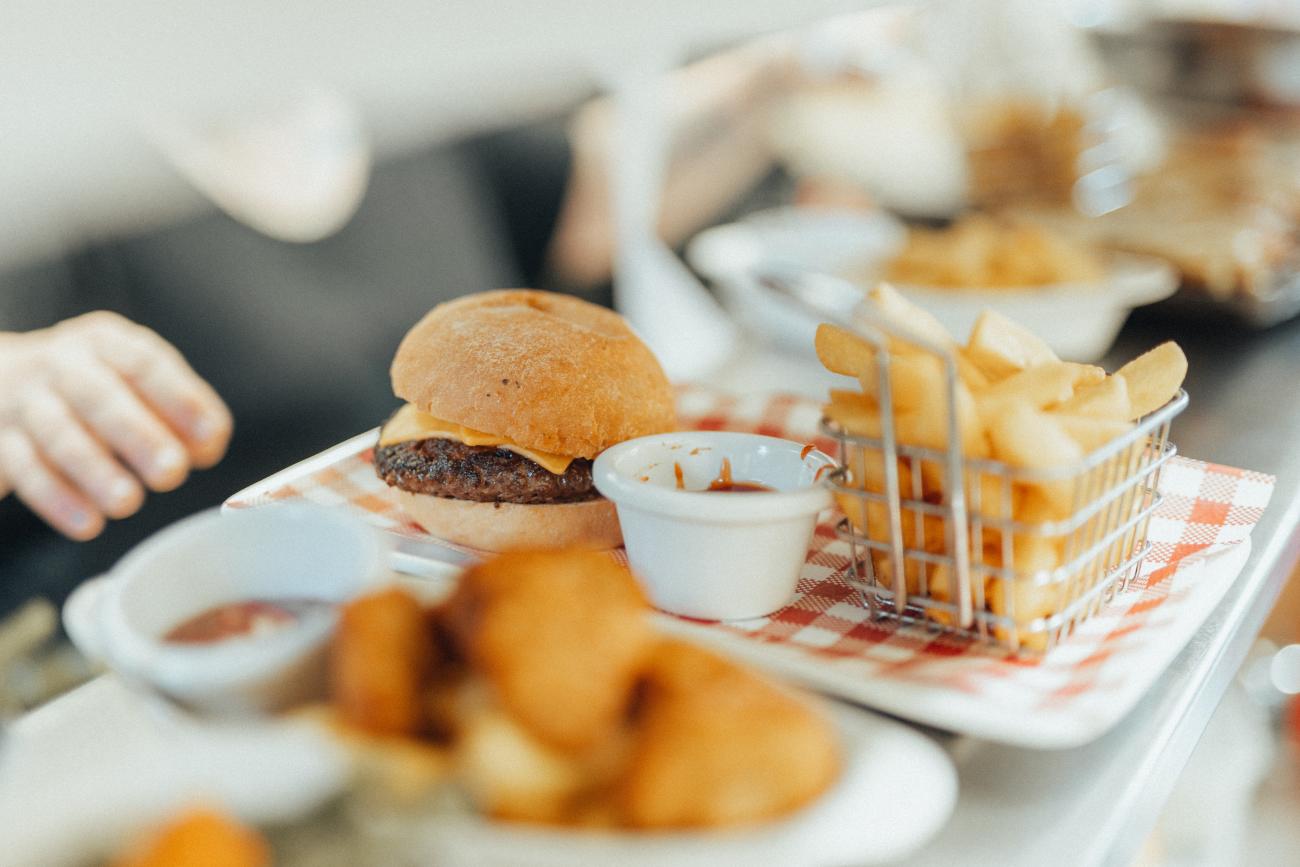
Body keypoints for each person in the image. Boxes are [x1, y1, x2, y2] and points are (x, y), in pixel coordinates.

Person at [0, 42, 796, 613]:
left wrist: (776, 71)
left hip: (456, 597)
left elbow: (584, 198)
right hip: (178, 640)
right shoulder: (55, 133)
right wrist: (20, 373)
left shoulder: (384, 80)